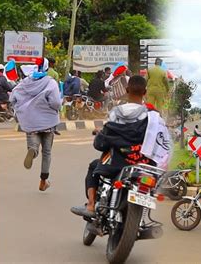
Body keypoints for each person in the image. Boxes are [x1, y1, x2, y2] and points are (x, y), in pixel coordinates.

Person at [70, 75, 167, 217]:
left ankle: (91, 206)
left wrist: (101, 135)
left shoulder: (117, 112)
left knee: (93, 166)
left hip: (117, 163)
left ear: (127, 90)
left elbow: (103, 141)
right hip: (146, 167)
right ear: (145, 92)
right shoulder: (155, 116)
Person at [10, 58, 61, 191]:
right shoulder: (51, 83)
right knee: (47, 152)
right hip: (48, 122)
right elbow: (56, 102)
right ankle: (43, 181)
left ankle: (32, 151)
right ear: (46, 68)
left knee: (33, 144)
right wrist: (53, 108)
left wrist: (21, 109)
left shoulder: (25, 82)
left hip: (30, 121)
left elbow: (13, 97)